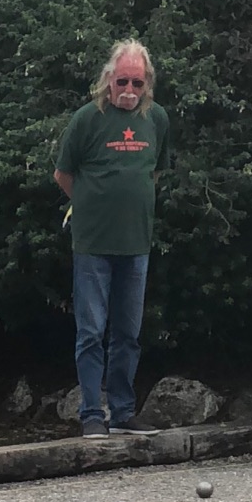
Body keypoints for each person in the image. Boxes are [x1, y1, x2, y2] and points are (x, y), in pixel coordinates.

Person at [53, 39, 171, 437]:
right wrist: (90, 204)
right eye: (123, 82)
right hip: (92, 243)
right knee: (91, 332)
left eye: (137, 83)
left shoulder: (157, 119)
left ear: (147, 83)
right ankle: (91, 414)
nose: (129, 90)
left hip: (136, 242)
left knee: (128, 333)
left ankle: (122, 411)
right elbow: (63, 173)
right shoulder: (87, 119)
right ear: (109, 80)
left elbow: (155, 170)